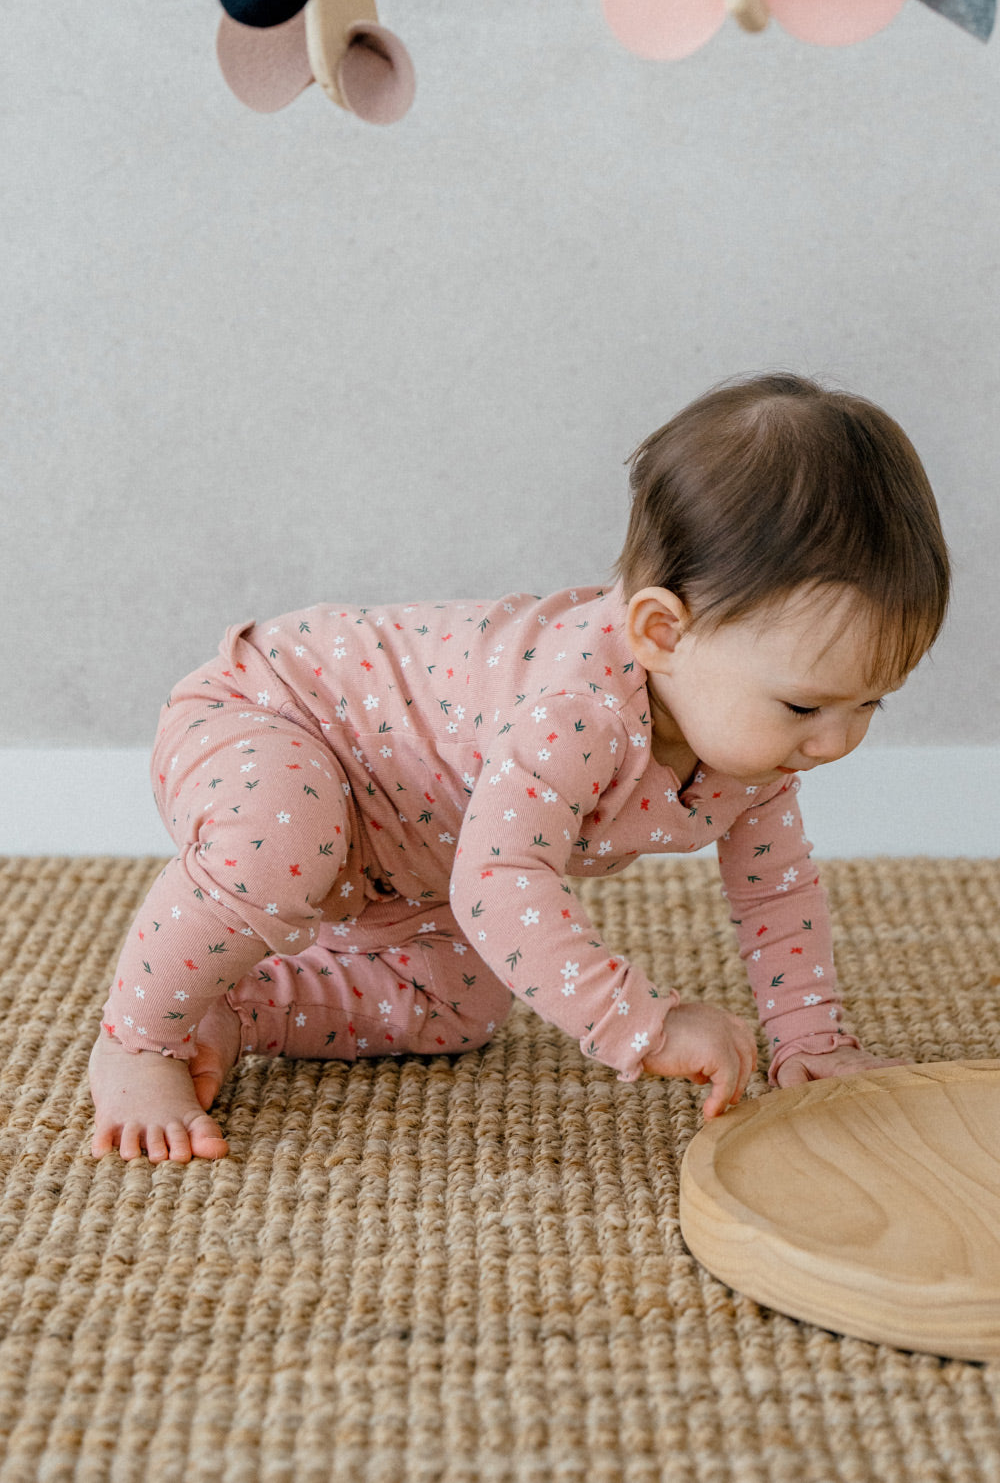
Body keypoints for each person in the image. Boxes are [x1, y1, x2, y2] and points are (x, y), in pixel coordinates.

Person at [89, 373, 950, 1162]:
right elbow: (500, 882)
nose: (837, 742)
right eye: (806, 707)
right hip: (281, 716)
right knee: (282, 845)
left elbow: (777, 892)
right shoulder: (579, 710)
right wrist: (642, 1023)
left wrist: (809, 1039)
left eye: (872, 703)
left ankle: (229, 1010)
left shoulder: (749, 756)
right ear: (661, 633)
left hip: (411, 843)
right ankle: (137, 1038)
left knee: (457, 1007)